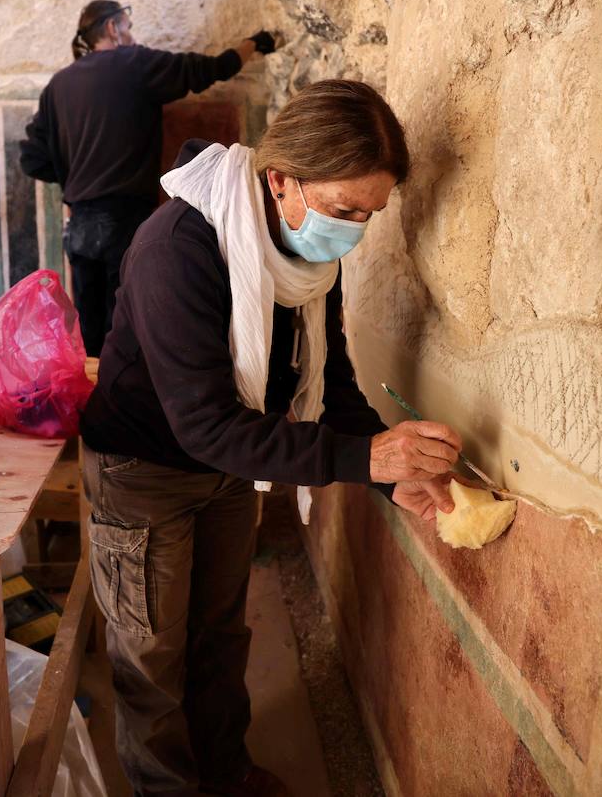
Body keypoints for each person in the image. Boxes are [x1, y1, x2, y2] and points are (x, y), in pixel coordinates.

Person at [78, 80, 464, 797]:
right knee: (151, 656)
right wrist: (363, 458)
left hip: (228, 464)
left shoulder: (306, 256)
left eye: (370, 215)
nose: (352, 232)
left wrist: (386, 471)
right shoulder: (178, 249)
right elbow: (203, 424)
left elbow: (334, 385)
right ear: (281, 179)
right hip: (146, 470)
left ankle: (225, 774)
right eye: (344, 210)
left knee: (220, 635)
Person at [19, 0, 278, 355]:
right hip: (124, 220)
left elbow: (32, 160)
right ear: (113, 28)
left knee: (90, 337)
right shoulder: (134, 63)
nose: (132, 34)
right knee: (126, 331)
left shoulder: (57, 86)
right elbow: (209, 70)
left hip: (79, 226)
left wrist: (74, 177)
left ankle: (93, 406)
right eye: (128, 25)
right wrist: (256, 42)